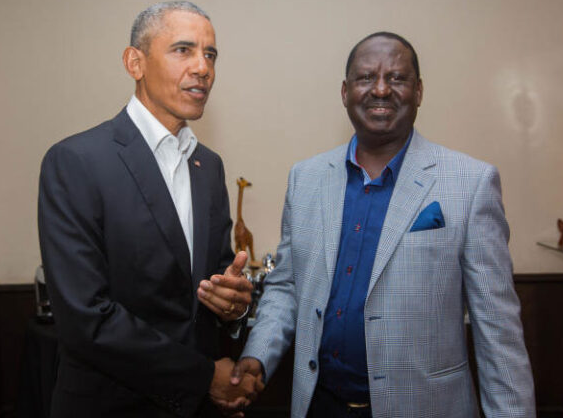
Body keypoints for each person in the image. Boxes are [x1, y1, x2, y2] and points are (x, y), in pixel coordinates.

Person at [224, 32, 536, 417]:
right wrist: (257, 355)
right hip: (320, 405)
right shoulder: (306, 179)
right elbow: (287, 286)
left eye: (397, 78)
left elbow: (498, 330)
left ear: (419, 91)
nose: (381, 89)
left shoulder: (470, 183)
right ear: (345, 92)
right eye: (366, 77)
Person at [38, 1, 261, 418]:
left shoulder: (208, 166)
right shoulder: (76, 161)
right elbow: (87, 319)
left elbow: (213, 283)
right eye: (183, 50)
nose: (203, 68)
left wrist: (234, 305)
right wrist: (202, 378)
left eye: (210, 54)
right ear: (134, 63)